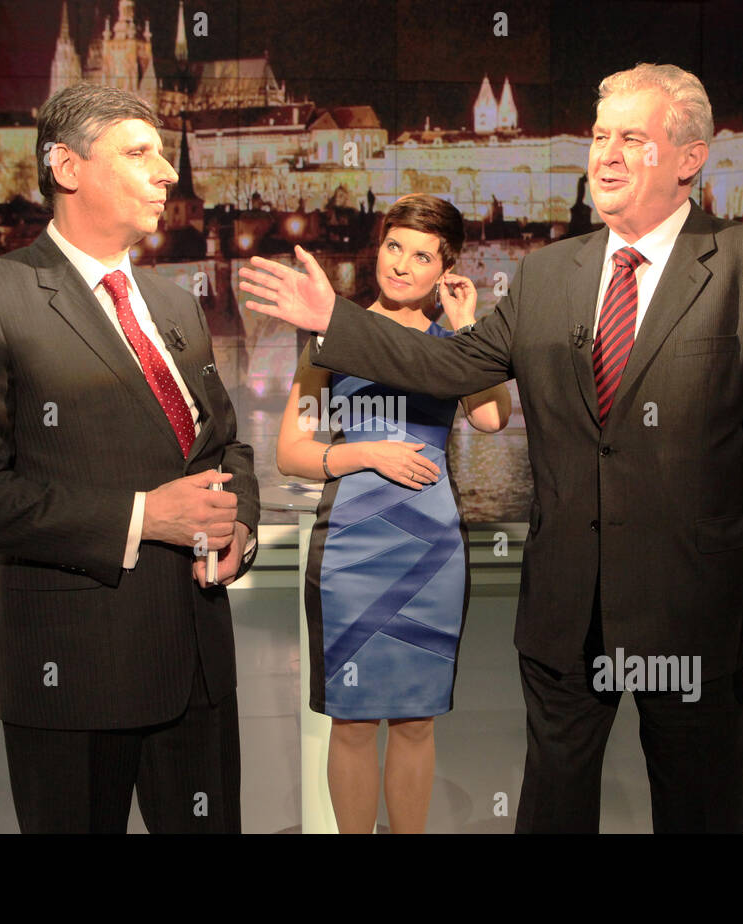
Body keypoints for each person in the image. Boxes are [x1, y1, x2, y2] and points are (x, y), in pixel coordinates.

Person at [240, 63, 743, 833]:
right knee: (551, 810)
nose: (606, 154)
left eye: (632, 138)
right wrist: (336, 321)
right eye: (599, 135)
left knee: (699, 810)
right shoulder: (548, 273)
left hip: (694, 618)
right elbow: (448, 367)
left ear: (689, 157)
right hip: (563, 615)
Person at [0, 83, 259, 834]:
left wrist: (241, 524)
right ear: (67, 167)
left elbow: (226, 442)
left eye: (165, 156)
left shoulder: (175, 304)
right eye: (140, 154)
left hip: (198, 661)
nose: (167, 174)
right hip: (71, 672)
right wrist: (145, 517)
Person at [275, 194, 510, 834]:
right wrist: (365, 453)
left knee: (415, 719)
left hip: (432, 552)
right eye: (394, 246)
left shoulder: (450, 343)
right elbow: (291, 452)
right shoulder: (335, 334)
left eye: (422, 255)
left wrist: (467, 327)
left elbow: (490, 418)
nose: (402, 264)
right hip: (350, 549)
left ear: (446, 268)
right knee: (350, 722)